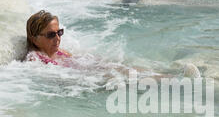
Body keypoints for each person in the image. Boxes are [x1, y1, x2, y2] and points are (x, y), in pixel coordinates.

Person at [25, 10, 201, 78]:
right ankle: (174, 80)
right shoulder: (35, 58)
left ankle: (169, 75)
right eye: (50, 35)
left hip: (88, 71)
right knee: (122, 74)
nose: (57, 38)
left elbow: (75, 60)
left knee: (123, 66)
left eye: (59, 32)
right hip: (87, 80)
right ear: (34, 39)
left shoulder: (58, 51)